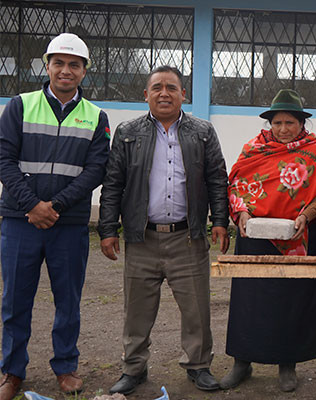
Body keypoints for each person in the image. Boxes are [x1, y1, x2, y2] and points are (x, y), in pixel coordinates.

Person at [98, 65, 230, 395]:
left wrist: (220, 222)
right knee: (137, 310)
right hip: (142, 237)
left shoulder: (203, 132)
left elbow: (217, 178)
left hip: (188, 237)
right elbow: (113, 183)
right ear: (146, 95)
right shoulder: (128, 133)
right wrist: (107, 229)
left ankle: (198, 366)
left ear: (183, 94)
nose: (164, 93)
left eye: (172, 87)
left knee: (197, 308)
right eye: (157, 87)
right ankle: (134, 368)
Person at [0, 32, 109, 399]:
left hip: (69, 224)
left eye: (74, 64)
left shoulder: (95, 116)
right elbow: (4, 160)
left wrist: (55, 206)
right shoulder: (21, 105)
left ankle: (65, 366)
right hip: (21, 221)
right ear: (47, 66)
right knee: (15, 299)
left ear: (84, 72)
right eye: (59, 63)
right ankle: (12, 371)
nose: (66, 70)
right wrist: (32, 205)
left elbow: (96, 170)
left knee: (68, 299)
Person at [219, 89, 316, 392]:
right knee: (250, 302)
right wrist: (241, 213)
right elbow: (236, 184)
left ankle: (288, 363)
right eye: (278, 123)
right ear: (269, 123)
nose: (283, 129)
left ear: (302, 123)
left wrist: (307, 216)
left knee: (292, 302)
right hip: (255, 237)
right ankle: (242, 362)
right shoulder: (252, 149)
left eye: (290, 122)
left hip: (298, 237)